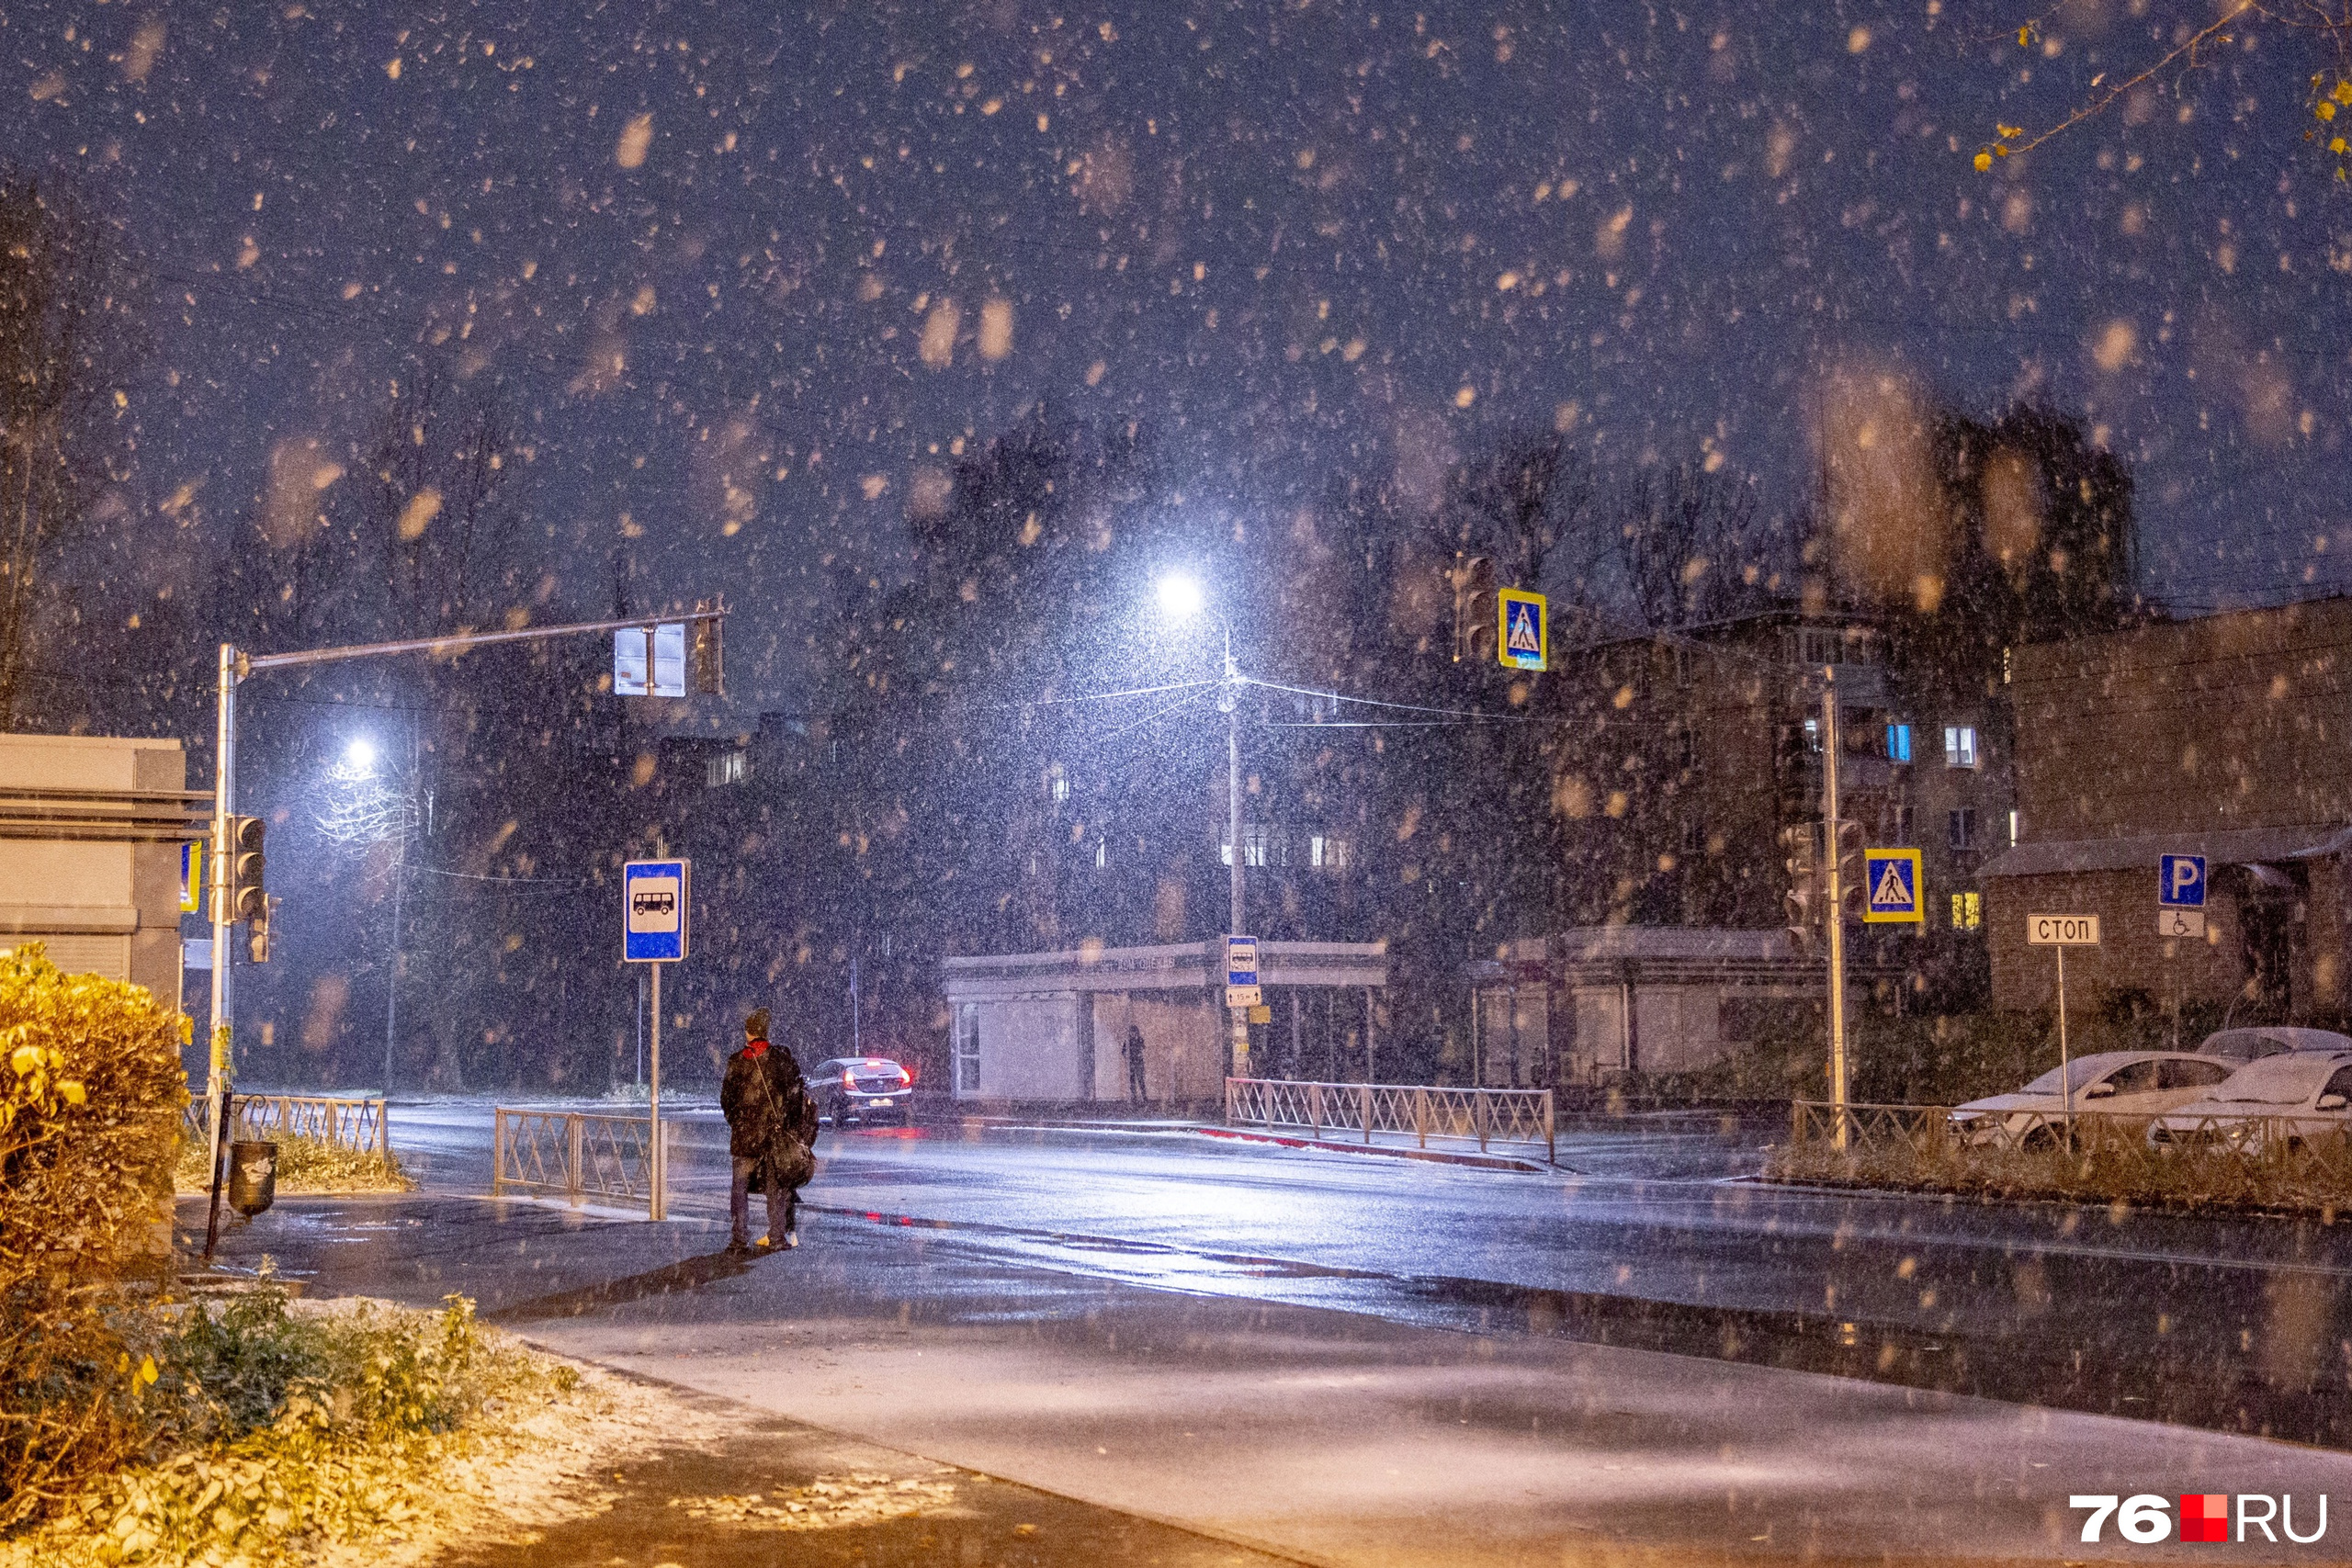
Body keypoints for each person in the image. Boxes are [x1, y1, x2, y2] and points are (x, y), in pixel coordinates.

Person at [720, 1008, 816, 1254]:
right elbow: (795, 1097)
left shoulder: (737, 1062)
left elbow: (726, 1101)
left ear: (748, 1033)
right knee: (776, 1188)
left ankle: (739, 1240)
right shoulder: (779, 1060)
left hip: (744, 1137)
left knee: (739, 1190)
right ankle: (776, 1237)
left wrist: (739, 1122)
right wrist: (786, 1124)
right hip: (772, 1136)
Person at [1125, 1021, 1148, 1103]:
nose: (1133, 1033)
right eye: (1131, 1032)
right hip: (1132, 1062)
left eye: (1134, 1032)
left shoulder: (1139, 1039)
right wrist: (1128, 1057)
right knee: (1132, 1081)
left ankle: (1144, 1097)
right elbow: (1124, 1051)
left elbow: (1143, 1047)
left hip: (1138, 1062)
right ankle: (1134, 1097)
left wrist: (1137, 1041)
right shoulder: (1128, 1041)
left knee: (1140, 1079)